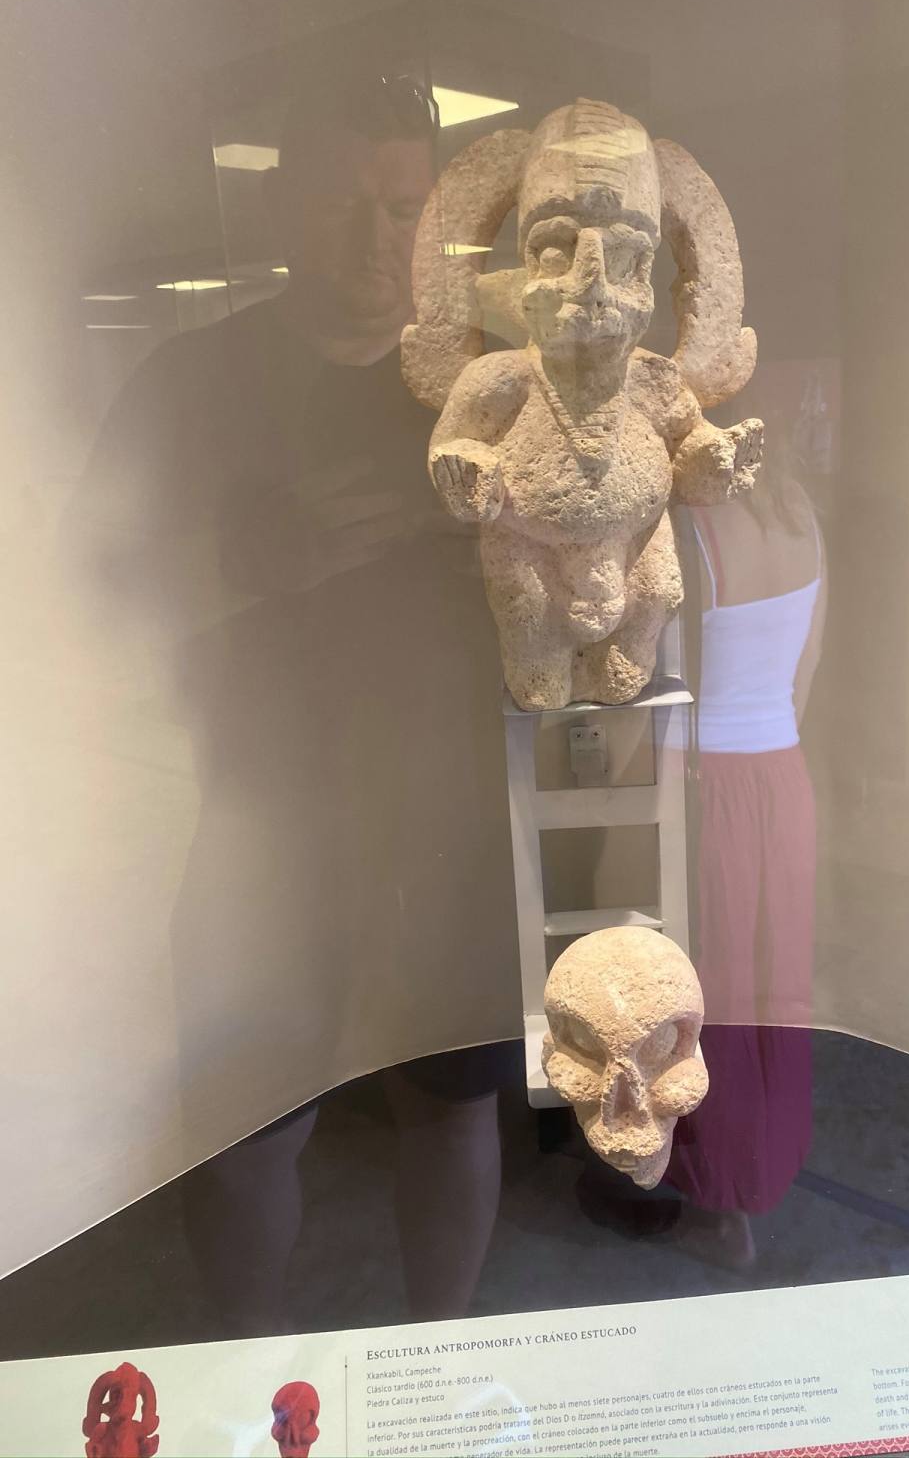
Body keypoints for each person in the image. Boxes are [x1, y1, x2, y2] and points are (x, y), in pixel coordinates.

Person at [70, 73, 520, 1332]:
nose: (377, 239)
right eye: (340, 204)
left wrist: (511, 540)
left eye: (403, 207)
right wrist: (240, 567)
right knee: (244, 1131)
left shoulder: (486, 388)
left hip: (449, 823)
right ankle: (242, 1370)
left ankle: (436, 1365)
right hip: (262, 821)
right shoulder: (191, 379)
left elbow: (590, 588)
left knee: (454, 1105)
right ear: (279, 207)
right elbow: (77, 591)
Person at [664, 416, 826, 1269]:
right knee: (775, 986)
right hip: (783, 778)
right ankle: (765, 1167)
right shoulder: (800, 512)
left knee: (707, 992)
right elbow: (806, 674)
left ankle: (717, 1200)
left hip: (702, 785)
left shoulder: (684, 524)